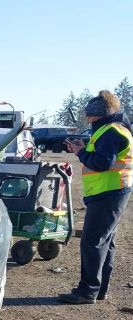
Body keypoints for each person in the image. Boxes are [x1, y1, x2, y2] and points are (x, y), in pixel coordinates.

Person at [58, 90, 132, 304]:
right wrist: (81, 150)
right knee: (105, 242)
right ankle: (98, 290)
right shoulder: (116, 129)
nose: (88, 119)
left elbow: (101, 163)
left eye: (90, 115)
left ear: (99, 114)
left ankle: (87, 291)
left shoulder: (110, 132)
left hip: (107, 193)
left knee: (92, 242)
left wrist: (80, 153)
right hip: (113, 192)